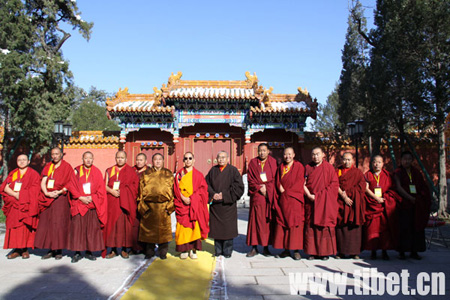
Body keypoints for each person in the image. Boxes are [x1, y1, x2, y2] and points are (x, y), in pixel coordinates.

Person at [35, 147, 85, 260]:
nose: (55, 156)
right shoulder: (48, 166)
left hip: (60, 198)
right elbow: (43, 181)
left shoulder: (67, 167)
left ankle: (59, 250)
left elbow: (70, 183)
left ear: (61, 155)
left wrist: (61, 191)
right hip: (48, 197)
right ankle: (50, 249)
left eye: (57, 154)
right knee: (48, 223)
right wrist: (46, 193)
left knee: (59, 223)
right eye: (53, 154)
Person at [68, 151, 108, 263]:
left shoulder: (96, 172)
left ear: (93, 159)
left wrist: (92, 197)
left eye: (90, 158)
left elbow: (101, 189)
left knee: (91, 229)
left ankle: (89, 251)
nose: (88, 160)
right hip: (79, 202)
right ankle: (77, 252)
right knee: (77, 229)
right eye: (86, 158)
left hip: (91, 203)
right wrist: (81, 197)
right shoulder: (76, 170)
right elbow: (71, 186)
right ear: (82, 159)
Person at [1, 154, 40, 259]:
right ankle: (16, 249)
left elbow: (35, 190)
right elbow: (5, 187)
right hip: (14, 203)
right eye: (19, 160)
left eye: (24, 160)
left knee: (24, 227)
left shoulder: (33, 174)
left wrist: (22, 195)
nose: (22, 162)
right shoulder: (13, 173)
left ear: (28, 161)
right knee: (14, 227)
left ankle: (25, 249)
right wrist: (16, 195)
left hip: (26, 205)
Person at [205, 151, 244, 258]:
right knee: (217, 230)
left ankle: (227, 251)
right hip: (216, 206)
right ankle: (217, 250)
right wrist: (213, 194)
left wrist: (224, 195)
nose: (221, 159)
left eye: (223, 157)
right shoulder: (213, 170)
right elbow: (206, 184)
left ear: (228, 159)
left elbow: (239, 187)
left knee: (227, 230)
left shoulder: (233, 170)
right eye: (219, 157)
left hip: (228, 205)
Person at [303, 147, 339, 260]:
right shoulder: (308, 168)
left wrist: (319, 196)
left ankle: (324, 253)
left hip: (324, 203)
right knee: (311, 226)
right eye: (313, 154)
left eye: (318, 154)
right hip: (311, 202)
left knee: (324, 226)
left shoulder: (329, 168)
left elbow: (334, 185)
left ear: (323, 155)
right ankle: (312, 252)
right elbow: (302, 183)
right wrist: (309, 195)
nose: (315, 157)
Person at [394, 151, 431, 260]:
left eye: (409, 159)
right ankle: (402, 251)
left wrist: (420, 198)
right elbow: (398, 187)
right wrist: (410, 198)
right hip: (404, 203)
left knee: (416, 227)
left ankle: (414, 251)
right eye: (404, 159)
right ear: (401, 160)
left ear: (412, 160)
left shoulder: (416, 172)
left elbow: (423, 187)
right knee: (404, 228)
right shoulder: (398, 172)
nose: (407, 161)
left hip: (416, 204)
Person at [138, 153, 174, 260]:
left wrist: (170, 206)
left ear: (163, 161)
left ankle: (163, 252)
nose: (157, 161)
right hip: (149, 206)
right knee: (149, 231)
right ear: (152, 161)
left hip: (164, 206)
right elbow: (140, 191)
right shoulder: (146, 173)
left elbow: (173, 191)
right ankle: (149, 251)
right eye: (155, 159)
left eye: (160, 159)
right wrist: (143, 207)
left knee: (163, 231)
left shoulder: (168, 173)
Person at [174, 152, 209, 259]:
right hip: (182, 205)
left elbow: (203, 190)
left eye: (190, 158)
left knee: (195, 227)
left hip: (195, 205)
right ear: (183, 161)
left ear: (194, 160)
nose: (188, 160)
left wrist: (193, 199)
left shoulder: (199, 175)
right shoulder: (179, 174)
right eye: (186, 158)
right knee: (183, 228)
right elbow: (176, 189)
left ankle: (193, 250)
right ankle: (184, 249)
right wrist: (182, 198)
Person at [104, 151, 139, 259]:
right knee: (112, 225)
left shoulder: (131, 171)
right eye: (118, 157)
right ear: (115, 158)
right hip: (113, 202)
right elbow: (103, 185)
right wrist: (111, 191)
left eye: (122, 158)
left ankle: (124, 249)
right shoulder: (109, 170)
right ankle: (113, 249)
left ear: (126, 159)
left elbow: (135, 187)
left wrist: (123, 192)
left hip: (125, 203)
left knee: (125, 226)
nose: (120, 159)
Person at [364, 155, 400, 260]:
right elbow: (366, 189)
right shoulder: (368, 174)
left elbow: (392, 189)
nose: (377, 164)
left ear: (383, 163)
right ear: (372, 163)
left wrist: (386, 198)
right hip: (372, 204)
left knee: (384, 230)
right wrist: (376, 198)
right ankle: (373, 251)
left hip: (384, 204)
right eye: (375, 162)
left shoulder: (388, 175)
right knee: (372, 229)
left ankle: (385, 251)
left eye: (379, 162)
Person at [272, 147, 305, 260]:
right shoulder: (281, 167)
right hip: (283, 201)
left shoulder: (299, 167)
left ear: (294, 155)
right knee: (283, 224)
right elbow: (277, 180)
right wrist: (279, 187)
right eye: (286, 154)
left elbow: (299, 182)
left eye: (290, 154)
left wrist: (287, 192)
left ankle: (296, 250)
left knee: (295, 225)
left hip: (294, 200)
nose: (287, 156)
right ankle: (286, 250)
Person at [246, 143, 277, 257]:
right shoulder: (253, 163)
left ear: (268, 151)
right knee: (254, 222)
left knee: (266, 223)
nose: (262, 153)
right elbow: (250, 179)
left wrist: (267, 189)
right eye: (260, 151)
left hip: (268, 197)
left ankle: (266, 247)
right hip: (257, 196)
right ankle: (254, 247)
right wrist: (260, 188)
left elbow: (275, 179)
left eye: (264, 150)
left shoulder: (273, 162)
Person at [335, 152, 366, 259]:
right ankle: (341, 252)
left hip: (354, 203)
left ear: (352, 160)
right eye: (344, 159)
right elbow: (335, 184)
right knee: (341, 227)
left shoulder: (357, 172)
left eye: (349, 160)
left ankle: (355, 252)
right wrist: (344, 197)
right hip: (341, 201)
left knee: (354, 228)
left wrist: (350, 195)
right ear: (341, 160)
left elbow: (362, 186)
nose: (346, 162)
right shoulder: (338, 171)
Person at [131, 153, 148, 254]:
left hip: (145, 202)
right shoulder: (131, 171)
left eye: (141, 160)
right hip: (133, 201)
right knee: (134, 224)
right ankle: (134, 247)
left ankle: (146, 248)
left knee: (145, 224)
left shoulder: (149, 172)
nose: (139, 162)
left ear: (145, 161)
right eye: (137, 160)